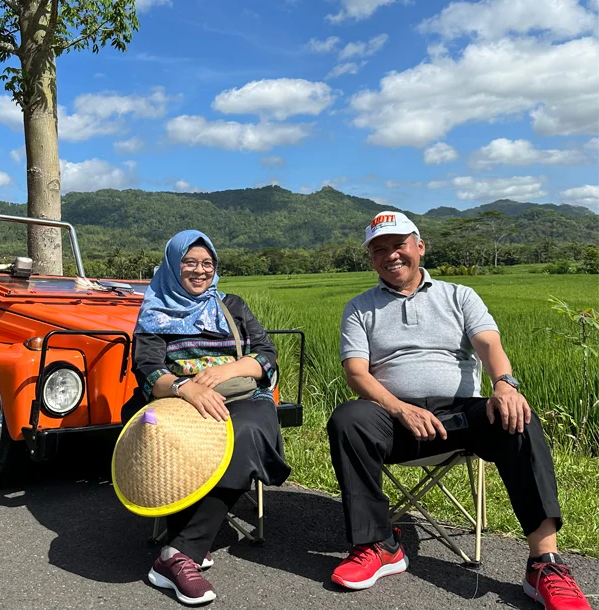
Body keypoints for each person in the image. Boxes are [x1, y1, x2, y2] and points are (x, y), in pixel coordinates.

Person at [326, 211, 591, 610]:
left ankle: (545, 564)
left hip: (460, 416)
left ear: (419, 246)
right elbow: (356, 373)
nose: (391, 256)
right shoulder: (359, 308)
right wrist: (399, 409)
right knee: (348, 418)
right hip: (395, 420)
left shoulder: (459, 295)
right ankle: (378, 545)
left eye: (398, 245)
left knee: (517, 418)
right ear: (371, 259)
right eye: (379, 250)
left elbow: (488, 344)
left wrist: (504, 384)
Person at [131, 229, 290, 606]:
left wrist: (228, 371)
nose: (200, 271)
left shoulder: (231, 304)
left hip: (243, 396)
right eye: (190, 262)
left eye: (207, 263)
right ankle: (185, 550)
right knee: (177, 438)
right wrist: (187, 388)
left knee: (247, 431)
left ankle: (179, 552)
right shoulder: (156, 310)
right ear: (173, 265)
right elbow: (148, 368)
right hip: (182, 401)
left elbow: (267, 353)